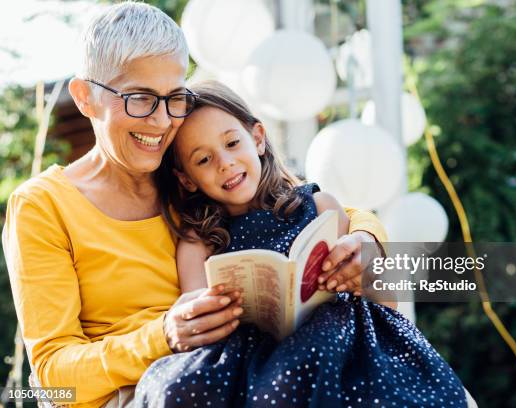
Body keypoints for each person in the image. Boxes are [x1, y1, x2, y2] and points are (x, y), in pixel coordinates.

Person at [1, 3, 389, 407]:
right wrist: (163, 335)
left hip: (237, 376)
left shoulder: (196, 173)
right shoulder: (42, 205)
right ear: (84, 97)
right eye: (139, 99)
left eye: (175, 98)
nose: (161, 121)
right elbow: (52, 377)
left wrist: (365, 239)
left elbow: (303, 202)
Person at [131, 81, 469, 407]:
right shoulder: (198, 241)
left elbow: (386, 301)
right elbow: (197, 317)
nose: (225, 163)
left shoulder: (319, 206)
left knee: (309, 360)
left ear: (258, 138)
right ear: (187, 179)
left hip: (333, 338)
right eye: (203, 160)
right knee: (177, 388)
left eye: (232, 143)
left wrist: (365, 271)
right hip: (249, 353)